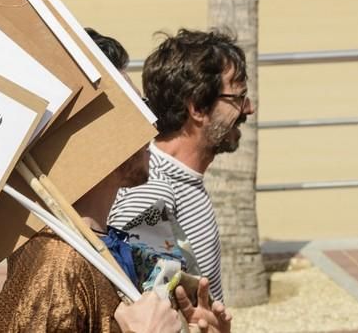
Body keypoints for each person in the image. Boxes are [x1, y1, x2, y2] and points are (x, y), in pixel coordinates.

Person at [0, 30, 232, 333]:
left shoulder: (105, 246)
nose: (152, 122)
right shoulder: (57, 264)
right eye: (136, 108)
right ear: (90, 134)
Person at [109, 29, 255, 303]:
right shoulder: (151, 192)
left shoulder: (179, 183)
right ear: (198, 108)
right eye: (238, 98)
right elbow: (149, 312)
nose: (248, 108)